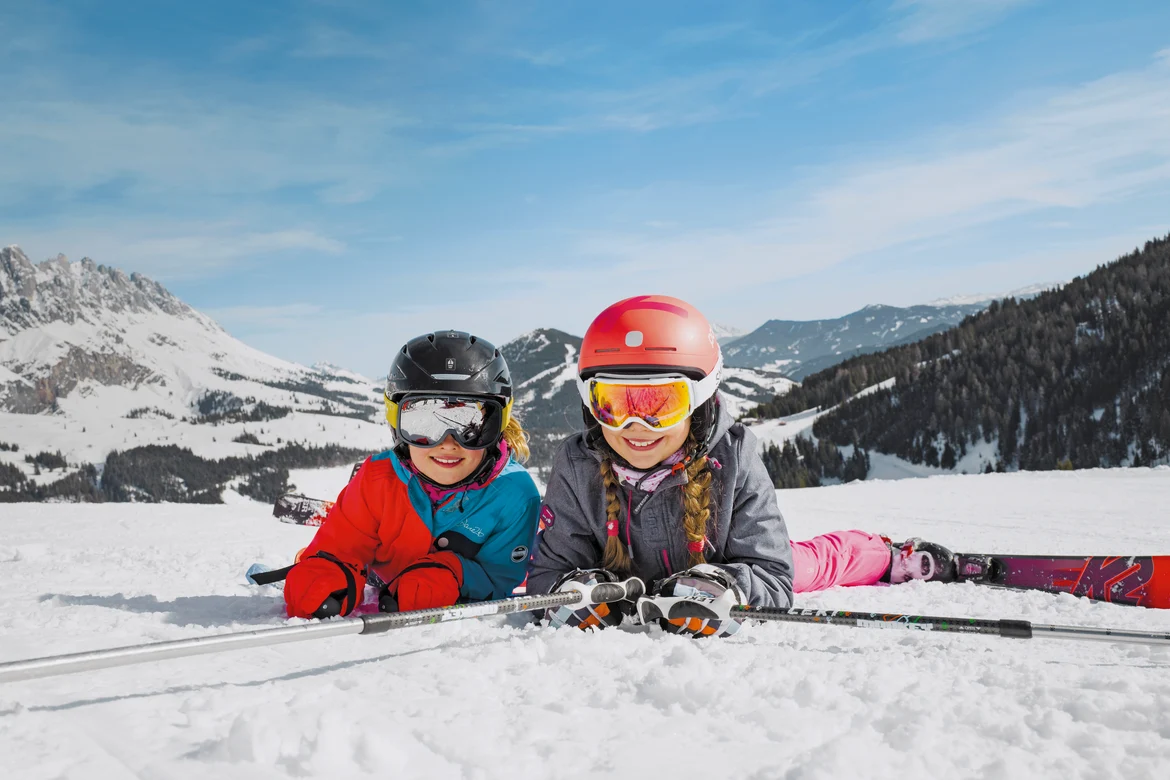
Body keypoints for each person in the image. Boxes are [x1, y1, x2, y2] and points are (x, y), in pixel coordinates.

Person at [526, 295, 955, 637]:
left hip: (733, 558)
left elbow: (773, 576)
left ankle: (886, 555)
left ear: (699, 403)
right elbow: (547, 573)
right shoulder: (579, 465)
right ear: (589, 405)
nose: (636, 426)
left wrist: (728, 587)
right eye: (613, 403)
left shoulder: (732, 457)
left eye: (662, 403)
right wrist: (573, 593)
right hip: (632, 580)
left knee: (810, 563)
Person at [283, 330, 542, 620]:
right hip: (383, 565)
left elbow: (499, 578)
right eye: (423, 423)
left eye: (471, 425)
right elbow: (341, 547)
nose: (447, 442)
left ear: (498, 424)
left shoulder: (514, 495)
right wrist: (329, 571)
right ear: (396, 422)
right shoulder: (377, 478)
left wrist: (451, 576)